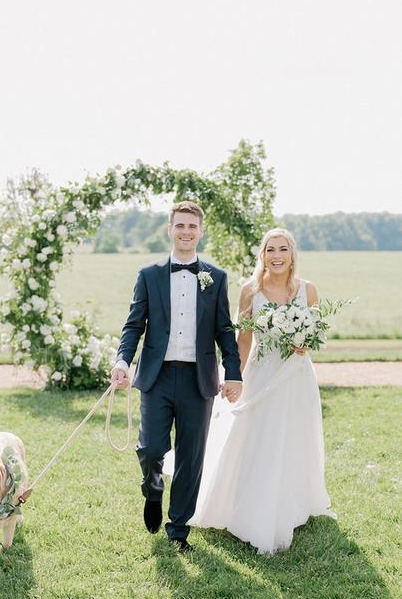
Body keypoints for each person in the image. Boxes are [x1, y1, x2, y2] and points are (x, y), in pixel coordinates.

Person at [190, 227, 336, 554]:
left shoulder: (308, 290)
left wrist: (304, 346)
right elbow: (242, 341)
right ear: (263, 254)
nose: (277, 255)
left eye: (283, 249)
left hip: (296, 378)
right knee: (258, 438)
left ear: (292, 254)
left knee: (293, 439)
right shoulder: (250, 291)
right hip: (261, 373)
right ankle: (250, 506)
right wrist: (234, 378)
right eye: (271, 249)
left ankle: (292, 503)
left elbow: (314, 335)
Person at [111, 201, 242, 552]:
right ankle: (152, 489)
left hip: (199, 380)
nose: (186, 232)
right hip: (156, 376)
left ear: (200, 231)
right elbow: (133, 325)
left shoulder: (215, 278)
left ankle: (178, 529)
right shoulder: (149, 275)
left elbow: (224, 331)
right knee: (151, 448)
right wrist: (123, 361)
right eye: (179, 226)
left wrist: (234, 373)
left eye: (192, 226)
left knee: (190, 457)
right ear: (169, 229)